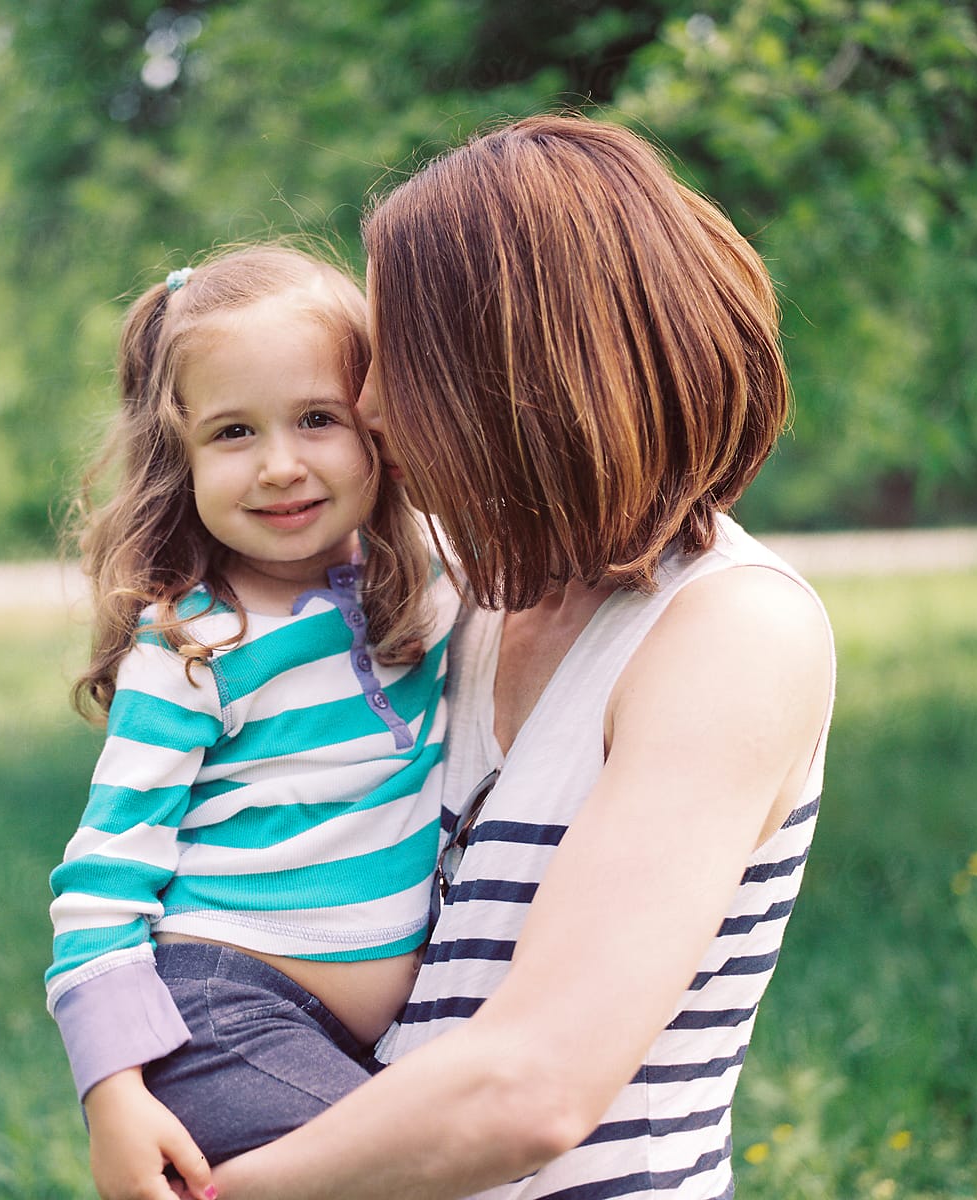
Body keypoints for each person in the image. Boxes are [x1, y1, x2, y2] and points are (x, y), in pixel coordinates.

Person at [202, 114, 836, 1200]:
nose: (366, 403)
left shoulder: (729, 632)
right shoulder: (457, 597)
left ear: (509, 371)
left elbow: (534, 1089)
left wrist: (224, 1194)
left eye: (395, 353)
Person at [45, 245, 458, 1200]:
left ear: (381, 430)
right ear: (178, 460)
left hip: (355, 1035)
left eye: (319, 418)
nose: (281, 466)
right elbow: (102, 882)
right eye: (233, 432)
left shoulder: (429, 585)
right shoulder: (195, 645)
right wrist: (112, 1093)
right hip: (224, 1014)